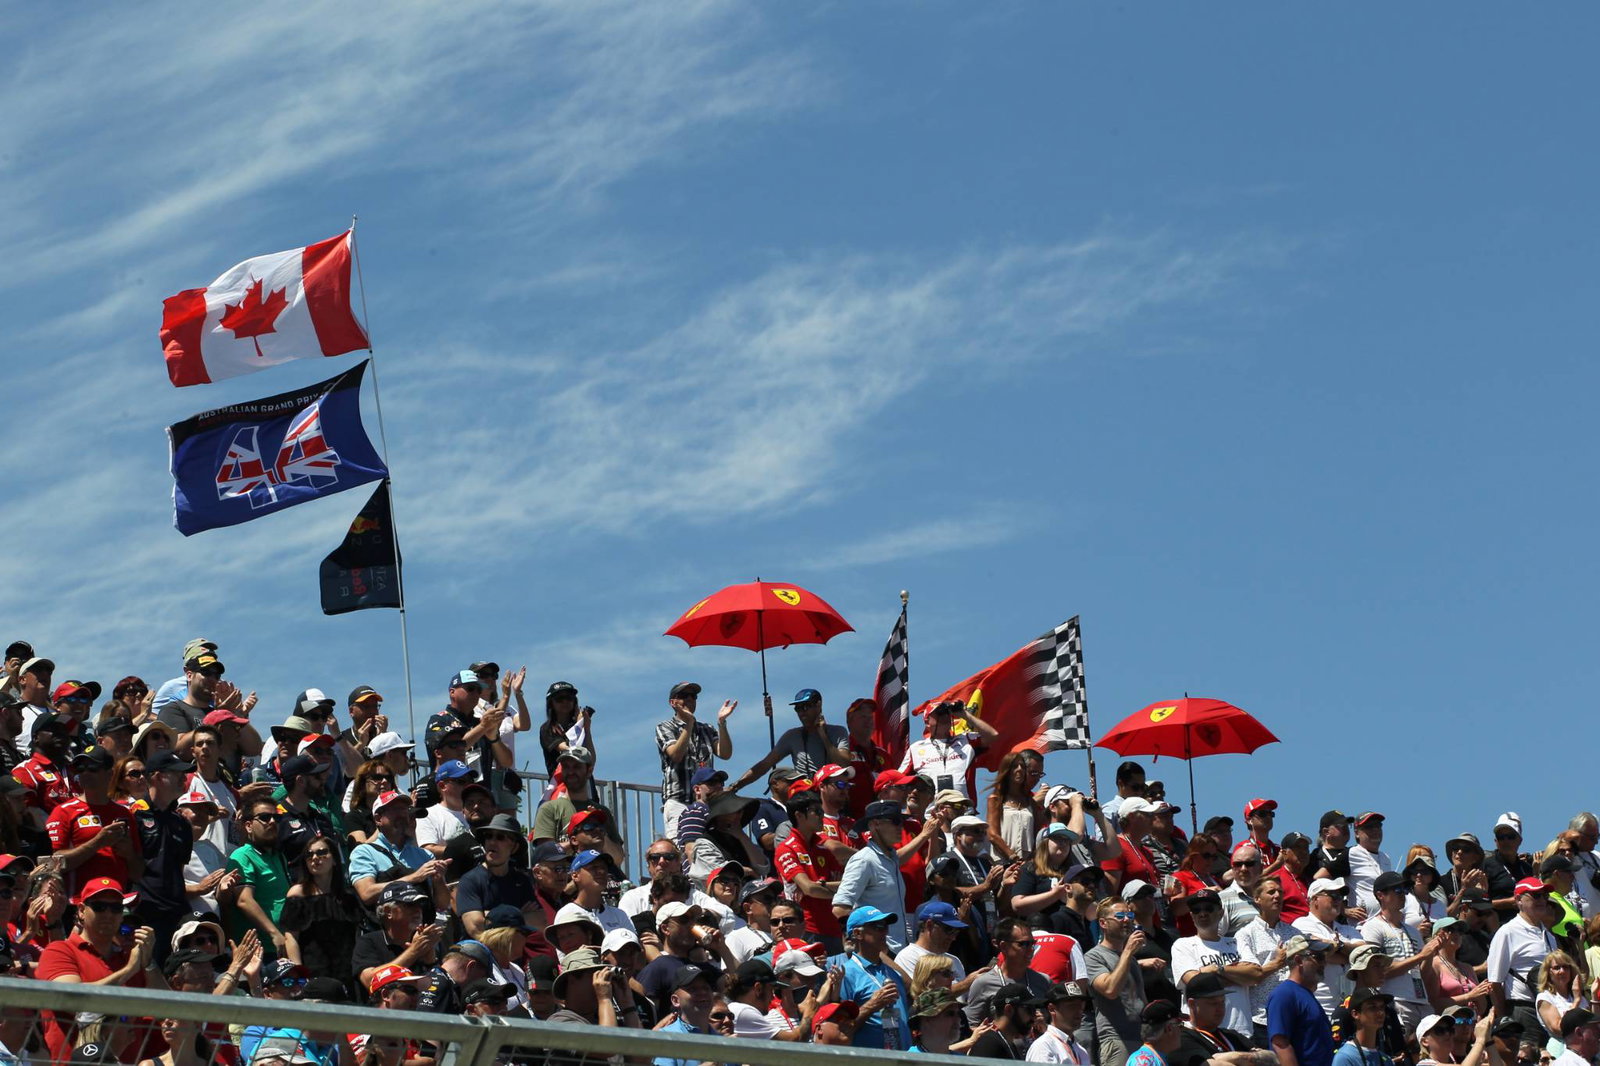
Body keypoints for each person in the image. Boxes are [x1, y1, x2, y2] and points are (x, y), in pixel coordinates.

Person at [37, 876, 167, 1064]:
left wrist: (148, 962)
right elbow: (70, 999)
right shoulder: (60, 950)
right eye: (99, 906)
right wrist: (129, 970)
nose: (108, 914)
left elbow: (167, 1008)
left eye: (116, 908)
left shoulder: (128, 957)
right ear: (81, 911)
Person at [46, 744, 143, 897]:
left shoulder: (124, 813)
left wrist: (129, 854)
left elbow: (137, 874)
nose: (85, 773)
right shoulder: (63, 811)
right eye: (80, 769)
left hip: (116, 903)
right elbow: (51, 864)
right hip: (77, 904)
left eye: (92, 768)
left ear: (109, 774)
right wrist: (98, 842)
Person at [1173, 889, 1261, 1038]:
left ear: (1220, 913)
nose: (1202, 913)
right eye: (1196, 910)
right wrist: (1239, 977)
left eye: (1209, 908)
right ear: (1191, 916)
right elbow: (1195, 982)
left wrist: (1217, 969)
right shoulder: (1183, 945)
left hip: (1242, 1032)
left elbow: (1256, 975)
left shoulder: (1236, 942)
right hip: (1204, 1034)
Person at [279, 835, 362, 988]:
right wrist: (299, 974)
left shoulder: (348, 897)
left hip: (347, 971)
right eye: (309, 855)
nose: (315, 858)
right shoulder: (297, 894)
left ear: (335, 859)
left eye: (322, 852)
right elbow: (291, 938)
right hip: (313, 972)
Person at [1361, 870, 1438, 1033]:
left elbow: (1422, 974)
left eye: (1404, 890)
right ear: (1380, 895)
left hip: (1422, 1002)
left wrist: (1430, 954)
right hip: (1396, 1001)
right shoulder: (1372, 927)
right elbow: (1376, 972)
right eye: (1397, 890)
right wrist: (1421, 956)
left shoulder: (1413, 931)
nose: (1403, 894)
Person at [654, 682, 734, 839]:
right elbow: (676, 754)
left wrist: (722, 723)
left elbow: (725, 753)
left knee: (710, 845)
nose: (690, 699)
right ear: (673, 702)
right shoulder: (665, 727)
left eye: (693, 696)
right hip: (679, 800)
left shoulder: (707, 729)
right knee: (682, 847)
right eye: (684, 696)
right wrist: (689, 724)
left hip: (707, 802)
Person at [727, 688, 851, 790]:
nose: (802, 712)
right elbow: (764, 765)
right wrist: (736, 786)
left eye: (806, 707)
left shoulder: (838, 732)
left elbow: (843, 763)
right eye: (798, 708)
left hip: (832, 793)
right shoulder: (792, 736)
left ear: (819, 705)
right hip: (807, 797)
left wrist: (823, 735)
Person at [833, 800, 915, 951]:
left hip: (898, 950)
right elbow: (840, 908)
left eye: (901, 822)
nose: (900, 827)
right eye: (895, 821)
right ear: (875, 824)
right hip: (880, 955)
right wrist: (873, 947)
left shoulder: (892, 859)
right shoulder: (864, 859)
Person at [830, 905, 912, 1049]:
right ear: (857, 933)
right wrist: (872, 1005)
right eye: (878, 926)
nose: (885, 932)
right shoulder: (845, 975)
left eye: (886, 926)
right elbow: (839, 1030)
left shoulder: (893, 973)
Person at [1489, 878, 1558, 1038]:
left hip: (1551, 1008)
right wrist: (1504, 1020)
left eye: (1544, 895)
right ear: (1519, 900)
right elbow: (1494, 982)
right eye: (1536, 895)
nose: (1542, 900)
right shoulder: (1507, 932)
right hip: (1523, 1009)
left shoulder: (1549, 935)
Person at [773, 795, 844, 949]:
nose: (822, 816)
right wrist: (838, 889)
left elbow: (847, 884)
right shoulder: (786, 848)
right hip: (805, 928)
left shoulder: (823, 848)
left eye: (822, 811)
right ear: (799, 815)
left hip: (834, 927)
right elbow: (810, 889)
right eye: (816, 811)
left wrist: (823, 885)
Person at [225, 795, 292, 953]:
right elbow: (244, 899)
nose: (272, 821)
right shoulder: (242, 856)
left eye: (276, 817)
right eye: (264, 817)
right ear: (248, 826)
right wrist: (274, 933)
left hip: (283, 946)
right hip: (258, 950)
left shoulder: (279, 856)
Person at [1089, 896, 1151, 1066]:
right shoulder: (1094, 956)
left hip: (1141, 1039)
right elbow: (1110, 990)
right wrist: (1128, 951)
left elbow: (1141, 998)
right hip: (1116, 1039)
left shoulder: (1130, 959)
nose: (1126, 921)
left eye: (1130, 917)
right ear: (1103, 923)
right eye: (1119, 917)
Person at [897, 699, 997, 801]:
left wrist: (965, 715)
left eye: (946, 713)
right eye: (939, 713)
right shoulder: (916, 748)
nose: (944, 716)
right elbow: (899, 778)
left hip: (964, 810)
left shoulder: (966, 739)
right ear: (927, 722)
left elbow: (992, 735)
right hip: (930, 812)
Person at [456, 813, 537, 935]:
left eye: (500, 837)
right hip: (482, 952)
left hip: (517, 951)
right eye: (488, 836)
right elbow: (477, 929)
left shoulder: (522, 881)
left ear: (514, 847)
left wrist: (491, 916)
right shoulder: (470, 880)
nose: (492, 842)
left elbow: (540, 920)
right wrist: (520, 916)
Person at [966, 917, 1056, 1028]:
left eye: (1032, 943)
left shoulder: (1043, 981)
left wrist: (1044, 1026)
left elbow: (1056, 1021)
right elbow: (973, 1026)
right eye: (1023, 944)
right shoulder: (983, 984)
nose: (1031, 949)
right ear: (1004, 946)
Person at [1296, 878, 1363, 1018]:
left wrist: (1338, 946)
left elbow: (1364, 953)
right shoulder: (1301, 924)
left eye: (1340, 896)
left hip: (1348, 1007)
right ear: (1315, 899)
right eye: (1333, 895)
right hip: (1318, 1005)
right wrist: (1349, 955)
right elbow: (1320, 953)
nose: (1338, 900)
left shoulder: (1347, 929)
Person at [1240, 878, 1297, 1043]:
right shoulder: (1246, 934)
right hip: (1264, 1019)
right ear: (1257, 899)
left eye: (1280, 892)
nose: (1277, 896)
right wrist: (1277, 963)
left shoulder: (1294, 932)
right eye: (1271, 892)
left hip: (1294, 1015)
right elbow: (1251, 976)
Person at [1267, 935, 1335, 1066]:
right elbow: (1280, 1044)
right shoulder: (1284, 994)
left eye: (1324, 958)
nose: (1324, 963)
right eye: (1318, 958)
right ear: (1299, 960)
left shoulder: (1305, 994)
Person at [1176, 973, 1259, 1066]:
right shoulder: (1180, 1038)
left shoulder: (1231, 1035)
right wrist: (1253, 1058)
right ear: (1192, 1004)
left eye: (1222, 1002)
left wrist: (1236, 1057)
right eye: (1213, 1003)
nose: (1220, 1008)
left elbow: (1270, 1057)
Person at [1423, 917, 1494, 1014]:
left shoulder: (1467, 968)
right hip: (1447, 1024)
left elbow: (1481, 1009)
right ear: (1437, 935)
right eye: (1450, 930)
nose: (1456, 934)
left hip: (1469, 1023)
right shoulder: (1433, 965)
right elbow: (1433, 1004)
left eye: (1459, 931)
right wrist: (1469, 996)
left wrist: (1482, 992)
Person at [1537, 951, 1589, 1056]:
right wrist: (1576, 1001)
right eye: (1557, 968)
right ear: (1548, 972)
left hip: (1585, 1051)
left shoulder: (1579, 996)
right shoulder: (1545, 997)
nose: (1562, 971)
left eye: (1566, 967)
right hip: (1561, 1052)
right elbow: (1559, 1028)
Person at [1027, 981, 1094, 1063]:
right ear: (1052, 1009)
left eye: (1081, 1006)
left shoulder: (1081, 1051)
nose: (1079, 1011)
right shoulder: (1043, 1047)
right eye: (1072, 1006)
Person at [537, 680, 593, 775]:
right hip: (562, 784)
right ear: (551, 703)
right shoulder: (547, 728)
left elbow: (591, 759)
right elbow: (569, 751)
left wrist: (585, 729)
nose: (565, 702)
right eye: (559, 699)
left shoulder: (578, 727)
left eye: (569, 698)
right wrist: (578, 727)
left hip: (585, 785)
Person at [1333, 989, 1398, 1066]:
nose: (1380, 1012)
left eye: (1382, 1007)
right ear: (1355, 1014)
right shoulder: (1345, 1057)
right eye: (1372, 1008)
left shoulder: (1386, 1060)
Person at [1349, 815, 1392, 916]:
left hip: (1384, 921)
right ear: (1356, 833)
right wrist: (1344, 909)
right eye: (1369, 827)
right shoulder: (1351, 853)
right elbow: (1321, 876)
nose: (1375, 830)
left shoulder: (1386, 857)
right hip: (1361, 925)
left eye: (1378, 826)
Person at [1129, 1001, 1187, 1066]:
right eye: (1180, 1025)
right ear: (1169, 1028)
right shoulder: (1144, 1061)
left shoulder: (1153, 1058)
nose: (1181, 1030)